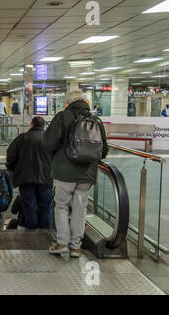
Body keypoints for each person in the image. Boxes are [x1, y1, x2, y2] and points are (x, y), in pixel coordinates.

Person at [43, 90, 108, 258]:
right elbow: (104, 150)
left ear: (68, 102)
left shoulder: (63, 116)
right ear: (85, 102)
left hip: (65, 172)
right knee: (80, 209)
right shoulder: (96, 120)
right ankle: (76, 247)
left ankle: (62, 243)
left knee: (62, 206)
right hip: (87, 173)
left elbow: (48, 143)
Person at [6, 116, 53, 230]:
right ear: (43, 126)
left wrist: (14, 169)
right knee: (45, 207)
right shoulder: (50, 139)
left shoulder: (22, 138)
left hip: (25, 178)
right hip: (46, 178)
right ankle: (45, 231)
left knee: (29, 206)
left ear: (31, 125)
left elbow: (10, 156)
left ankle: (31, 232)